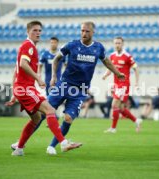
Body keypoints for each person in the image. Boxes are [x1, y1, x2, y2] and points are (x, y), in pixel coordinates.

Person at [23, 21, 124, 155]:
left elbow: (106, 61)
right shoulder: (72, 44)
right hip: (63, 85)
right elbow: (56, 59)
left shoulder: (98, 48)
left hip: (80, 89)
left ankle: (52, 146)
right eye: (82, 31)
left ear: (93, 32)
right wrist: (54, 77)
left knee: (68, 119)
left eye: (87, 31)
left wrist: (117, 73)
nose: (84, 33)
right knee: (42, 114)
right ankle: (21, 144)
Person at [5, 20, 82, 156]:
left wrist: (14, 92)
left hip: (22, 88)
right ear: (28, 32)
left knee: (36, 118)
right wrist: (38, 78)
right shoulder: (28, 46)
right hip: (26, 88)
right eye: (35, 30)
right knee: (50, 110)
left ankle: (19, 149)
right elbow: (22, 64)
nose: (38, 33)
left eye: (40, 30)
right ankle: (64, 143)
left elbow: (16, 69)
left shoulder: (28, 46)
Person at [102, 36, 142, 133]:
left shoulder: (127, 56)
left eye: (119, 43)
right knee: (120, 108)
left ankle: (113, 128)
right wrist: (106, 75)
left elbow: (136, 68)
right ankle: (137, 120)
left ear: (122, 44)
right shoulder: (112, 56)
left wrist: (137, 82)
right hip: (116, 84)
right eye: (115, 43)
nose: (117, 45)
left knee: (114, 104)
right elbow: (110, 68)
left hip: (124, 84)